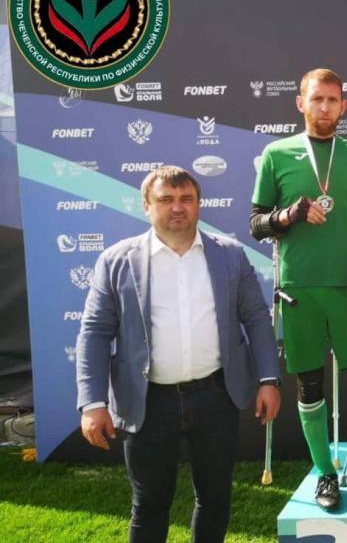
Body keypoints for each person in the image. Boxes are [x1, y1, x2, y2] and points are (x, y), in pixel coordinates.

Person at [76, 166, 281, 543]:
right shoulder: (116, 261)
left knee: (215, 500)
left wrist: (268, 379)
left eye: (186, 199)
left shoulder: (230, 256)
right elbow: (94, 333)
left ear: (199, 204)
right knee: (149, 504)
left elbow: (255, 317)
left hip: (216, 396)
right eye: (166, 199)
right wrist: (92, 403)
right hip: (148, 402)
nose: (177, 207)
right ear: (146, 205)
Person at [250, 68, 347, 511]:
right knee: (310, 383)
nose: (325, 107)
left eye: (332, 100)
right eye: (317, 99)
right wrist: (288, 215)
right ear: (300, 103)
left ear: (344, 106)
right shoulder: (276, 153)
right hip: (300, 286)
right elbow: (256, 223)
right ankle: (325, 472)